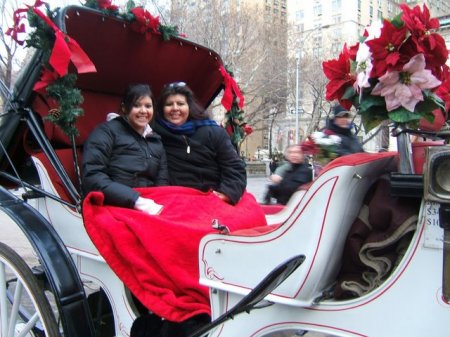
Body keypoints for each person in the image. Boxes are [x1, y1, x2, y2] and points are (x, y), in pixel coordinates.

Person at [152, 82, 247, 205]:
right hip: (176, 200)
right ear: (162, 109)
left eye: (180, 104)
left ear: (189, 107)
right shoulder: (154, 135)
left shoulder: (213, 132)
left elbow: (234, 167)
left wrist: (227, 193)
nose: (175, 108)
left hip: (213, 198)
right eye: (169, 104)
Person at [82, 84, 169, 214]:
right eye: (137, 105)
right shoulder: (106, 132)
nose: (143, 111)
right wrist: (136, 201)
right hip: (115, 203)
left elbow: (162, 181)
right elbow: (93, 175)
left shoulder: (156, 141)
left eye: (148, 106)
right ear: (124, 108)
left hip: (151, 204)